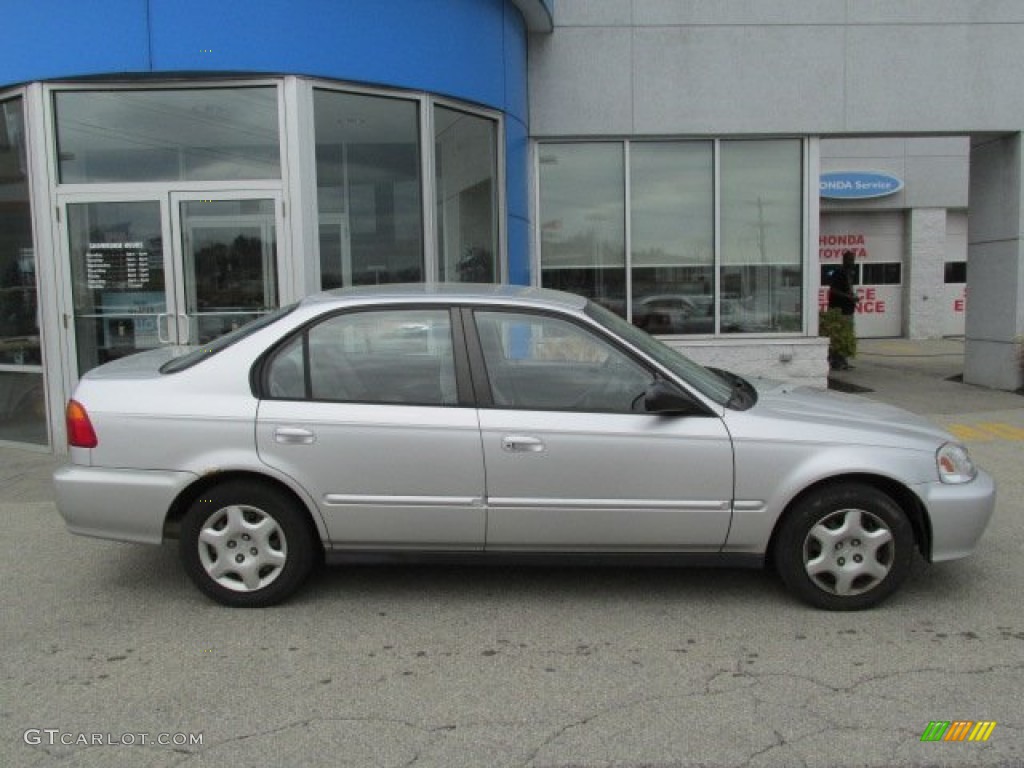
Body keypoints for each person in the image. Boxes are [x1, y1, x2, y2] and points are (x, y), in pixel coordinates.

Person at [826, 249, 859, 370]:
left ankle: (843, 360)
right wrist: (849, 297)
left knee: (846, 336)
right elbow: (833, 290)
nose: (852, 262)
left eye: (853, 259)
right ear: (844, 260)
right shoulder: (838, 272)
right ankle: (836, 360)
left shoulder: (849, 273)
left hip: (848, 310)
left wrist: (853, 297)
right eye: (850, 260)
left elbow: (848, 290)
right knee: (839, 335)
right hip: (839, 310)